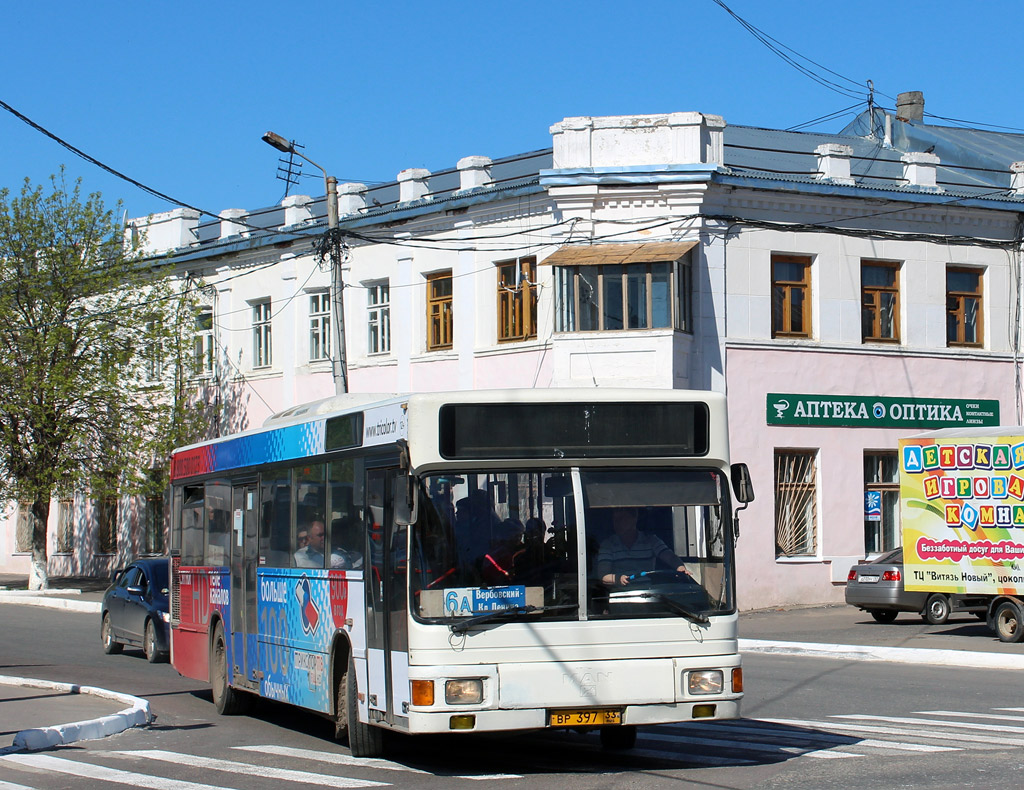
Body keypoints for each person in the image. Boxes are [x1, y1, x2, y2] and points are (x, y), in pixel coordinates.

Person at [596, 507, 688, 587]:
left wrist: (680, 567)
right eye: (615, 519)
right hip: (620, 598)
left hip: (648, 595)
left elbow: (670, 556)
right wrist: (618, 579)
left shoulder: (651, 540)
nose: (617, 523)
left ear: (634, 519)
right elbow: (603, 576)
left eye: (622, 518)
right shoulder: (608, 545)